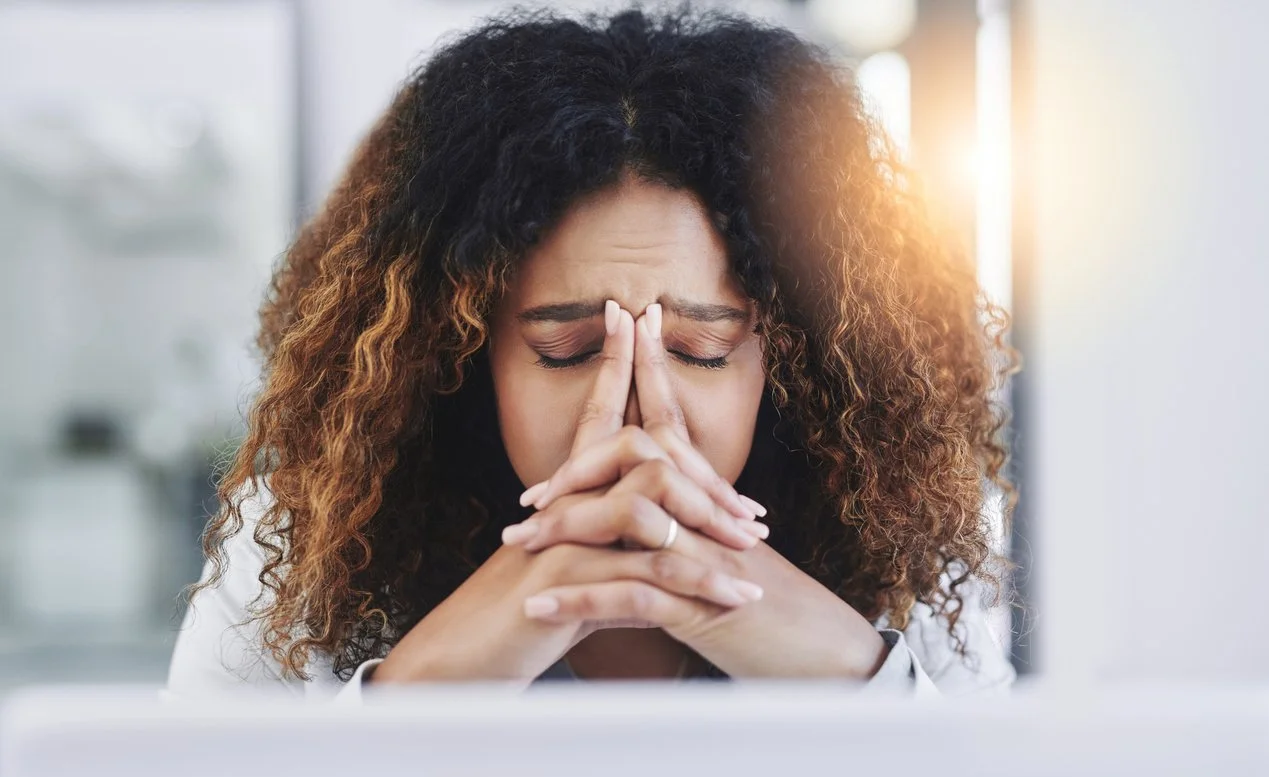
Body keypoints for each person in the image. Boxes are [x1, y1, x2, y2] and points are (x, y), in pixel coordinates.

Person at [167, 6, 1018, 701]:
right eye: (569, 349)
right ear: (460, 360)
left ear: (788, 364)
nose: (643, 415)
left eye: (701, 347)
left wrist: (854, 677)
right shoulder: (300, 546)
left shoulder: (910, 553)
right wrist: (421, 692)